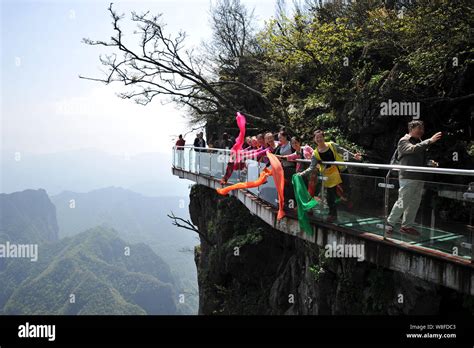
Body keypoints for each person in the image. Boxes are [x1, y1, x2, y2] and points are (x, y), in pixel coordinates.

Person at [386, 121, 442, 236]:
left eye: (422, 128)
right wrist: (430, 141)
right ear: (411, 129)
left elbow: (418, 158)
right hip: (408, 177)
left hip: (419, 177)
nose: (422, 131)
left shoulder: (420, 142)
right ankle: (389, 224)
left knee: (414, 202)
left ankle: (406, 226)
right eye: (419, 128)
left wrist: (430, 163)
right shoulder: (403, 141)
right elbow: (412, 149)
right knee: (403, 201)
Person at [298, 129, 361, 223]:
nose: (319, 139)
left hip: (341, 170)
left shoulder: (331, 145)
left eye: (320, 137)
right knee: (330, 196)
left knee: (346, 189)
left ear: (324, 137)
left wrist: (353, 156)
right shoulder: (315, 153)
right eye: (317, 137)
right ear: (314, 140)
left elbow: (343, 151)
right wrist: (301, 174)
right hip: (330, 175)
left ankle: (347, 201)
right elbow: (312, 167)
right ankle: (332, 215)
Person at [275, 131, 296, 208]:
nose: (279, 139)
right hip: (284, 169)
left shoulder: (291, 144)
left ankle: (293, 205)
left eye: (280, 137)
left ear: (285, 136)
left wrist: (282, 157)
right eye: (278, 138)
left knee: (291, 187)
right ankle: (287, 203)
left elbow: (296, 154)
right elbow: (275, 154)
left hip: (291, 169)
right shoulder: (280, 146)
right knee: (285, 187)